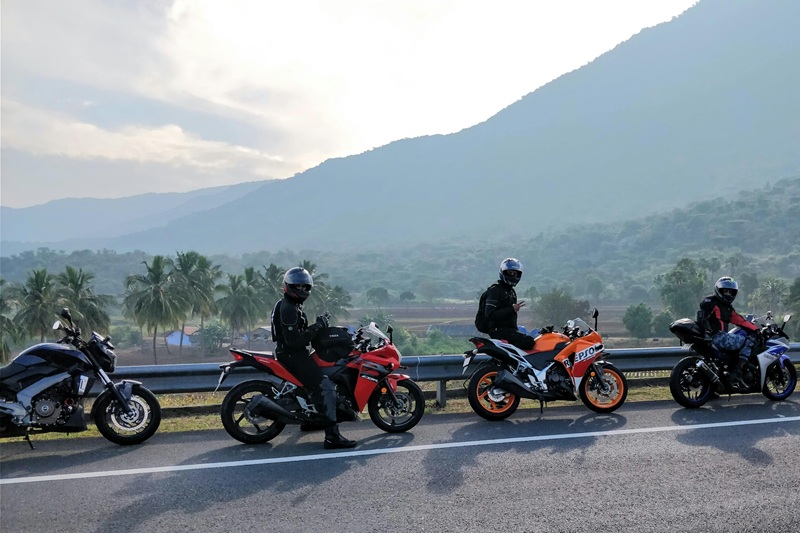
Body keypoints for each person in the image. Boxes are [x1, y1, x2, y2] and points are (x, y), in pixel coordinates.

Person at [270, 267, 356, 449]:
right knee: (325, 385)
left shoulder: (291, 305)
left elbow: (299, 334)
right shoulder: (288, 308)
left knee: (311, 386)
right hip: (293, 355)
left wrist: (318, 326)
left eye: (305, 286)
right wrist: (317, 327)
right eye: (297, 285)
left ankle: (311, 421)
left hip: (293, 353)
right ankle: (332, 437)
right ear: (288, 286)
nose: (301, 289)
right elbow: (294, 341)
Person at [699, 276, 758, 388]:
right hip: (717, 337)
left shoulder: (726, 307)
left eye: (731, 292)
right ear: (719, 290)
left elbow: (739, 320)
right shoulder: (712, 302)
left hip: (711, 338)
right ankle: (739, 371)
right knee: (749, 340)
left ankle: (713, 388)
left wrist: (755, 328)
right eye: (725, 291)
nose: (728, 294)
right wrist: (757, 331)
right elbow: (703, 317)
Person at [480, 258, 536, 350]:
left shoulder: (511, 292)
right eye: (510, 273)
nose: (513, 276)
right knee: (529, 341)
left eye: (515, 273)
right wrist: (512, 309)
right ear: (503, 272)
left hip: (509, 331)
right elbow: (489, 314)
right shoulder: (495, 290)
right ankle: (507, 352)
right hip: (499, 331)